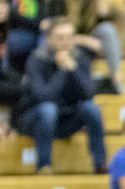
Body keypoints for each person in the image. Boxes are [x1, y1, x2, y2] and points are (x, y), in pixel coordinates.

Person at [21, 19, 107, 176]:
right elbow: (43, 96)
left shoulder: (80, 58)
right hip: (37, 119)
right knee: (49, 110)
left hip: (68, 117)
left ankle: (100, 163)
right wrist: (61, 70)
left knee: (92, 108)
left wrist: (73, 69)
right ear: (49, 38)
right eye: (60, 37)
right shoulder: (36, 59)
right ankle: (44, 166)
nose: (65, 42)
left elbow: (89, 93)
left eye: (69, 37)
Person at [47, 0, 125, 93]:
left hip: (89, 43)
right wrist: (85, 40)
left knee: (108, 29)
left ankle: (117, 80)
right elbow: (58, 30)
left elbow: (103, 19)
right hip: (65, 42)